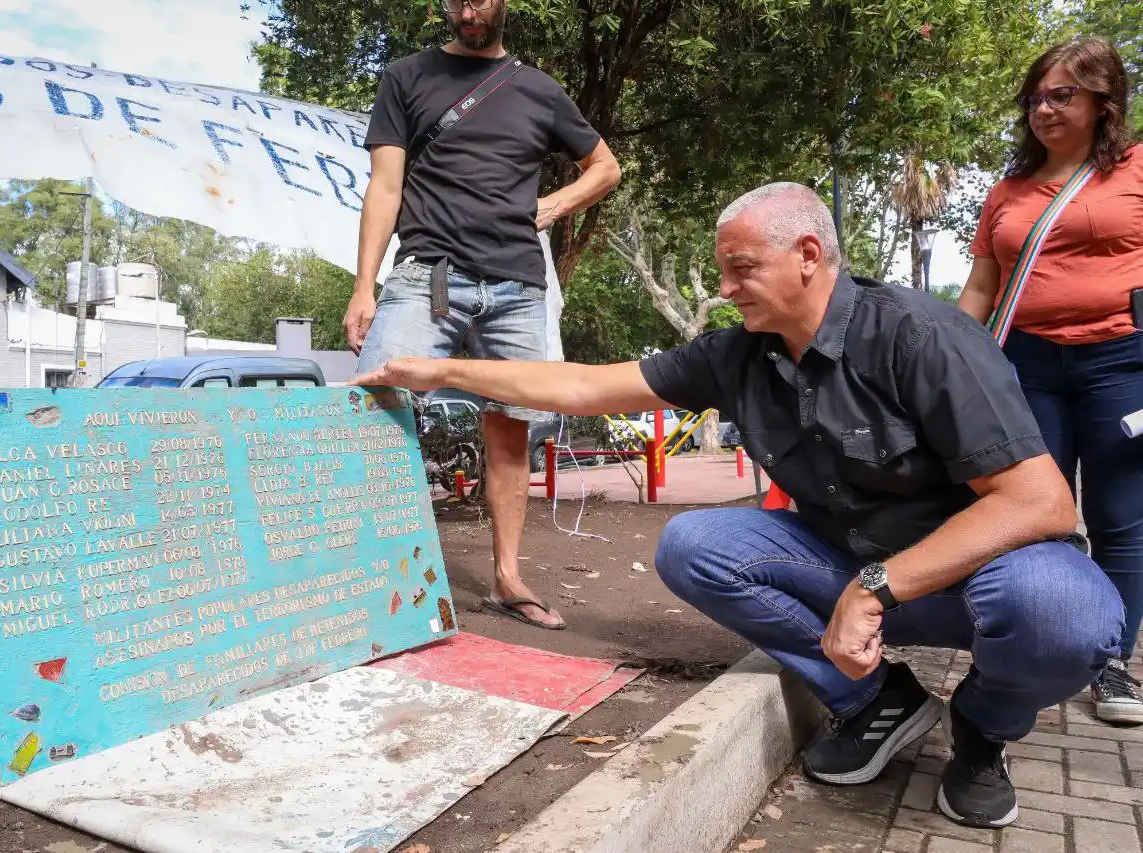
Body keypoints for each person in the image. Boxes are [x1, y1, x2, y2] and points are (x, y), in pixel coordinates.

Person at [352, 182, 1124, 829]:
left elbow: (1040, 501)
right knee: (694, 544)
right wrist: (442, 369)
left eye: (741, 267)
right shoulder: (736, 355)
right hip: (849, 566)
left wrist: (877, 586)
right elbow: (583, 385)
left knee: (1065, 613)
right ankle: (878, 700)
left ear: (809, 257)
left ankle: (984, 731)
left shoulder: (921, 336)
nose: (724, 289)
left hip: (965, 577)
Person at [345, 0, 622, 631]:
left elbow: (606, 167)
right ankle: (366, 576)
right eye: (458, 0)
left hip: (518, 284)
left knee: (511, 428)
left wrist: (554, 205)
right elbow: (385, 187)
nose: (471, 9)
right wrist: (365, 286)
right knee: (370, 406)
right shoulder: (406, 78)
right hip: (427, 275)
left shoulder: (538, 89)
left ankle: (507, 579)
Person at [958, 37, 1143, 724]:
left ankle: (1112, 661)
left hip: (1124, 361)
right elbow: (981, 284)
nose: (1044, 108)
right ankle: (1049, 630)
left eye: (1061, 94)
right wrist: (948, 360)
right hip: (1027, 363)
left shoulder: (1135, 169)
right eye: (1035, 97)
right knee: (1038, 511)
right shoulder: (1008, 191)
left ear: (1104, 100)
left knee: (1121, 516)